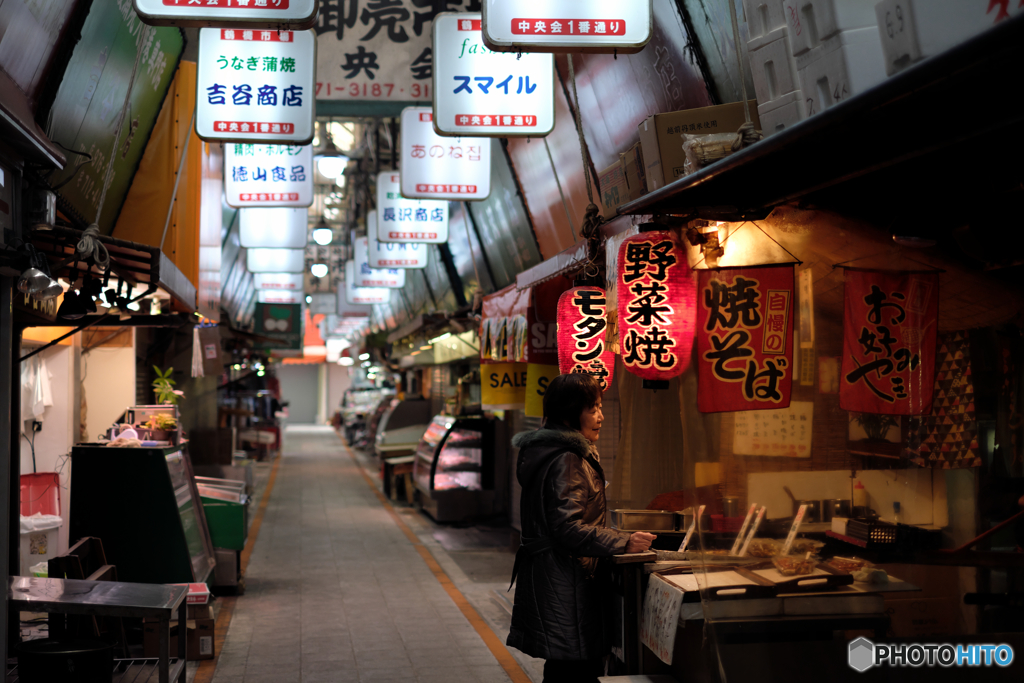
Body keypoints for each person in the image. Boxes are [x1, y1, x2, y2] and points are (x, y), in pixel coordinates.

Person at [506, 373, 656, 683]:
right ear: (570, 411)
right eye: (593, 408)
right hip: (566, 581)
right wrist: (623, 541)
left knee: (563, 668)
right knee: (576, 669)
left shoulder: (548, 451)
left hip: (555, 575)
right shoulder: (567, 459)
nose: (601, 416)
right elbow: (568, 529)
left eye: (600, 407)